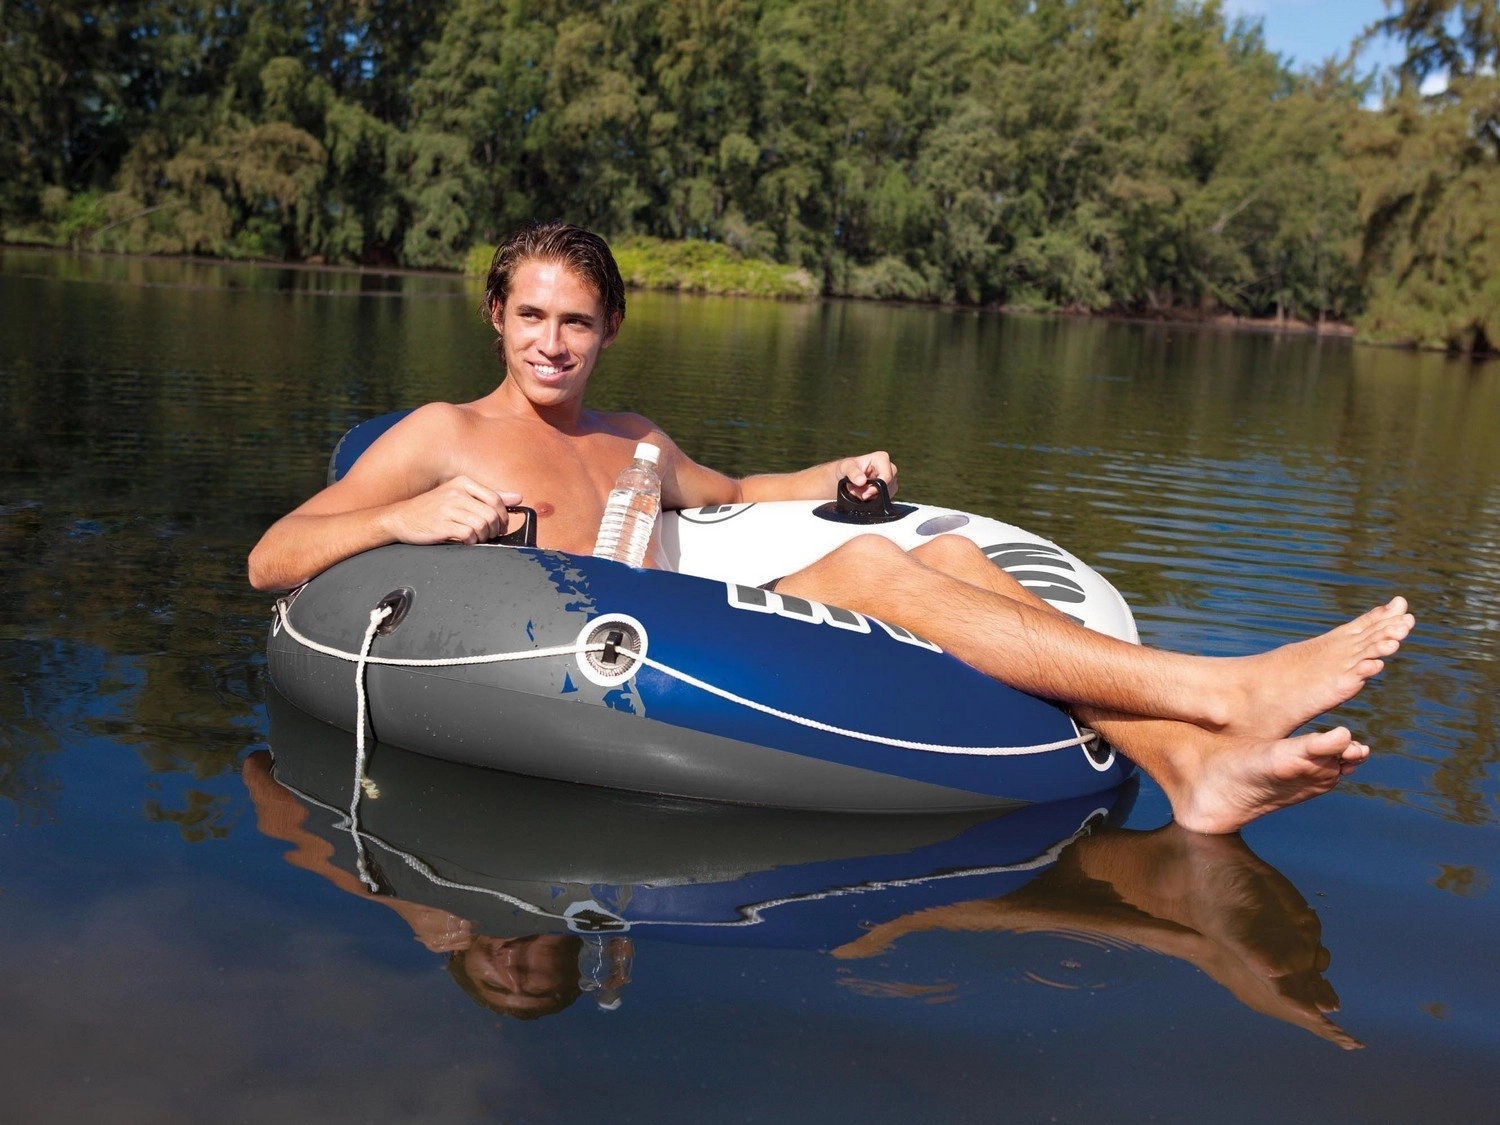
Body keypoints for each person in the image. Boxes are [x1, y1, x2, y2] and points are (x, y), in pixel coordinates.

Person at [248, 221, 1415, 835]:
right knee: (874, 570)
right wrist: (411, 514)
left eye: (579, 322)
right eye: (534, 316)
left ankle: (1187, 764)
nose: (553, 343)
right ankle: (1215, 693)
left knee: (941, 551)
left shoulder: (633, 438)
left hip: (697, 618)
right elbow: (270, 559)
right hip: (564, 652)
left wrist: (835, 478)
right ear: (496, 315)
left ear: (610, 330)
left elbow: (736, 491)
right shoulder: (443, 433)